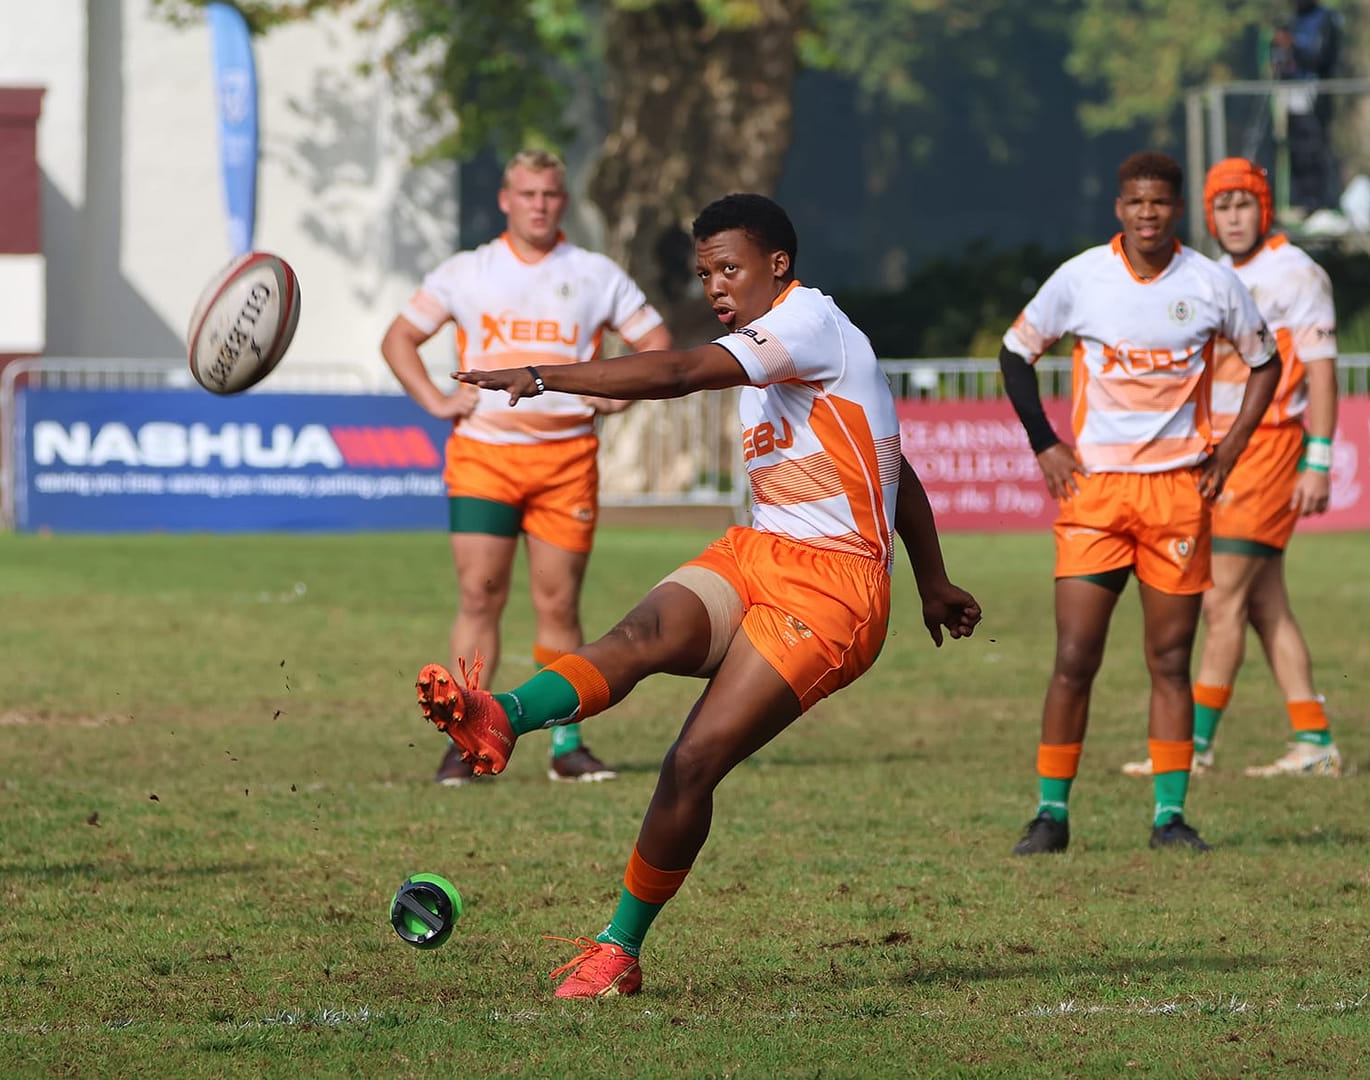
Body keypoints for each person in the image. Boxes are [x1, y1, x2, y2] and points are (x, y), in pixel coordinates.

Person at [414, 193, 982, 997]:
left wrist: (542, 377)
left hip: (832, 592)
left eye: (729, 269)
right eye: (705, 272)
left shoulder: (809, 323)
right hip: (758, 552)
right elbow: (899, 466)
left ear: (777, 265)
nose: (715, 286)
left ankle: (618, 950)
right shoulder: (774, 344)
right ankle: (501, 715)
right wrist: (934, 579)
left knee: (691, 762)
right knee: (639, 635)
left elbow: (679, 372)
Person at [998, 151, 1282, 856]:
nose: (1147, 213)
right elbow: (1015, 353)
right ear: (1119, 208)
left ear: (1177, 208)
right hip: (1095, 492)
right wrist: (1045, 443)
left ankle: (1169, 817)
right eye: (1136, 202)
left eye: (1159, 202)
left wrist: (1230, 449)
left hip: (1177, 494)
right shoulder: (1082, 277)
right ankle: (1050, 815)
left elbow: (1266, 362)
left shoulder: (1211, 283)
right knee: (1074, 657)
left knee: (1170, 659)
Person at [381, 149, 673, 786]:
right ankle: (465, 736)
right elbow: (398, 338)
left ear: (563, 201)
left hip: (566, 461)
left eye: (550, 194)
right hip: (483, 458)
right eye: (528, 193)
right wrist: (436, 401)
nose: (539, 204)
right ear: (505, 200)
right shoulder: (467, 270)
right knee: (478, 595)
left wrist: (617, 397)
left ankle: (566, 746)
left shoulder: (595, 273)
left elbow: (656, 345)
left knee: (558, 603)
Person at [1122, 158, 1342, 780]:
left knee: (1220, 602)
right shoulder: (1210, 274)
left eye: (1244, 205)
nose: (1234, 218)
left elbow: (1323, 373)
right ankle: (1315, 741)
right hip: (1219, 452)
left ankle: (1193, 748)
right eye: (1223, 207)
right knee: (1265, 606)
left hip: (1267, 450)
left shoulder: (1297, 272)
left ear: (1264, 208)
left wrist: (1318, 461)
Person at [1270, 0, 1344, 215]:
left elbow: (1323, 59)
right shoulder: (1292, 20)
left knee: (1315, 150)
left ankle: (1320, 202)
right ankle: (1301, 201)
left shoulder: (1326, 19)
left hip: (1315, 97)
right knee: (1296, 151)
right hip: (1292, 96)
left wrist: (1293, 47)